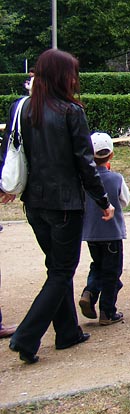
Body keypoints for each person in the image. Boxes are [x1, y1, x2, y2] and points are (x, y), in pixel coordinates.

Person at [0, 49, 114, 364]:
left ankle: (67, 332)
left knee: (56, 268)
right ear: (62, 76)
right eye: (72, 73)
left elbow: (8, 149)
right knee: (62, 271)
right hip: (64, 205)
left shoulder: (22, 108)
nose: (75, 79)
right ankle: (27, 337)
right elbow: (85, 164)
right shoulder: (70, 111)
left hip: (34, 204)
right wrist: (103, 201)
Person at [79, 132, 130, 326]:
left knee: (98, 265)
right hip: (112, 233)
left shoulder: (83, 179)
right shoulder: (116, 178)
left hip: (91, 233)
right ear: (111, 155)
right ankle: (107, 312)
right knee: (112, 271)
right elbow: (124, 200)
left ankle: (90, 292)